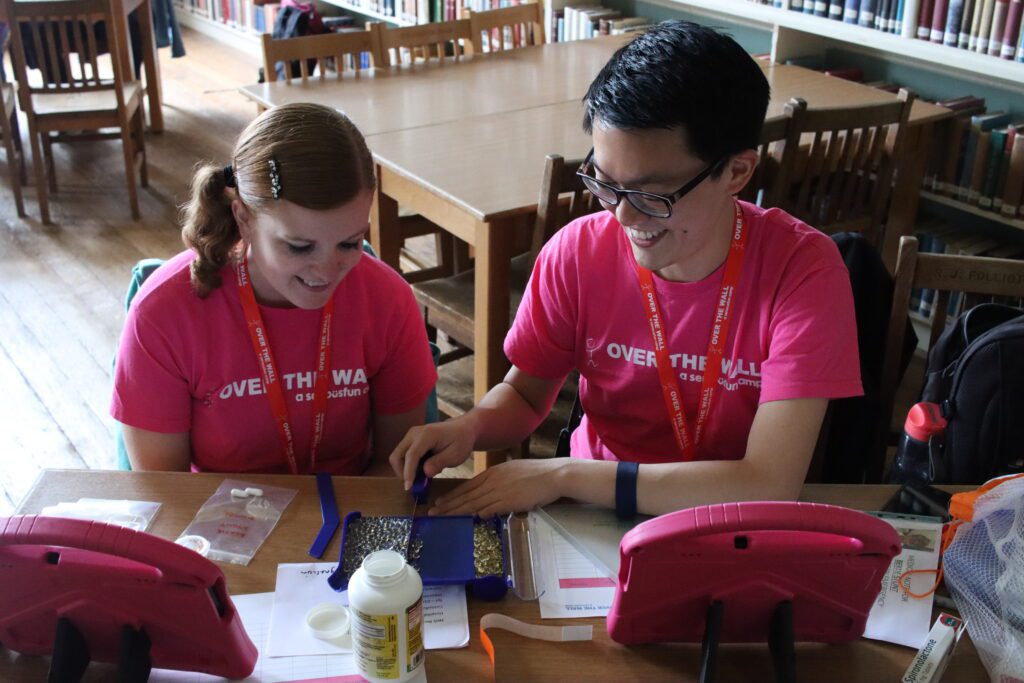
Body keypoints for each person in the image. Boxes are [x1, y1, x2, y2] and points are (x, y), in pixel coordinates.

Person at [390, 21, 862, 517]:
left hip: (726, 520)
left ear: (736, 172)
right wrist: (470, 428)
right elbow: (527, 396)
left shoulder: (802, 270)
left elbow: (768, 483)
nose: (623, 216)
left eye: (652, 195)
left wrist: (566, 473)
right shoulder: (576, 252)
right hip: (595, 514)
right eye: (604, 181)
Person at [112, 103, 436, 474]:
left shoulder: (387, 301)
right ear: (243, 219)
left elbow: (397, 469)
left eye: (350, 243)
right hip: (217, 524)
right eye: (299, 246)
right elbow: (165, 492)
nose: (327, 270)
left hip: (350, 520)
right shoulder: (163, 314)